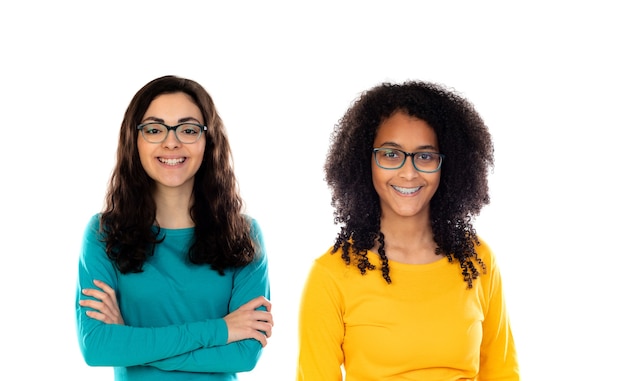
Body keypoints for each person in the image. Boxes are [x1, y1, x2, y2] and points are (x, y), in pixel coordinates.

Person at [297, 81, 519, 380]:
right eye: (391, 154)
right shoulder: (332, 275)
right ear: (366, 162)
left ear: (447, 166)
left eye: (425, 156)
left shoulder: (477, 260)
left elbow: (502, 372)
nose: (409, 172)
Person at [75, 75, 273, 381]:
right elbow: (98, 347)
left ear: (208, 141)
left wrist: (130, 339)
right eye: (154, 129)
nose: (171, 142)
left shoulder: (243, 235)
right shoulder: (103, 234)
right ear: (134, 140)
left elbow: (243, 355)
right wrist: (221, 329)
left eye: (188, 129)